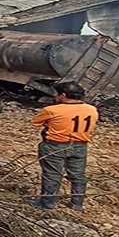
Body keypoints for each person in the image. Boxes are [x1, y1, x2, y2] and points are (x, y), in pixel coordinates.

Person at [27, 82, 98, 211]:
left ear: (63, 95)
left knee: (52, 174)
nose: (55, 96)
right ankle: (77, 203)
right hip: (80, 146)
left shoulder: (52, 110)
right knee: (78, 175)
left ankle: (47, 202)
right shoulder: (91, 109)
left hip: (55, 145)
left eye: (56, 93)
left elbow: (35, 122)